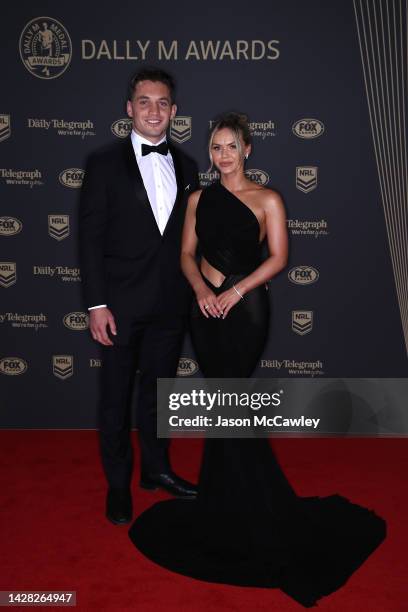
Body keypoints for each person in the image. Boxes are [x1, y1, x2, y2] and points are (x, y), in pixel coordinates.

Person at [128, 113, 386, 607]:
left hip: (246, 311)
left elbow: (279, 258)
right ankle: (228, 502)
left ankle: (248, 505)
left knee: (233, 400)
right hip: (204, 309)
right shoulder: (198, 199)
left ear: (248, 150)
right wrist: (204, 290)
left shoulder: (268, 199)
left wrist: (236, 291)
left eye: (230, 147)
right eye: (215, 148)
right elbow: (185, 254)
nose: (221, 156)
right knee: (222, 401)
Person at [79, 67, 199, 526]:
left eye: (162, 102)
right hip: (119, 308)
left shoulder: (188, 166)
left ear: (174, 110)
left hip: (170, 307)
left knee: (158, 396)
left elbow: (189, 240)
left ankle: (157, 469)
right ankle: (117, 485)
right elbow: (89, 239)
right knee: (115, 398)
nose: (154, 110)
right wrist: (96, 304)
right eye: (144, 102)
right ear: (129, 109)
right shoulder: (103, 163)